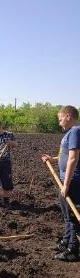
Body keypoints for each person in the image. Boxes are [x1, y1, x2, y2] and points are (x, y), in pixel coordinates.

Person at [42, 105, 80, 262]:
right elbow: (66, 155)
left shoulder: (76, 131)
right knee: (66, 214)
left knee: (71, 216)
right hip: (66, 179)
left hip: (73, 180)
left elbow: (73, 157)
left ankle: (73, 249)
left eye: (60, 119)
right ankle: (65, 242)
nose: (59, 123)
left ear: (68, 116)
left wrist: (66, 184)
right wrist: (53, 159)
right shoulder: (71, 133)